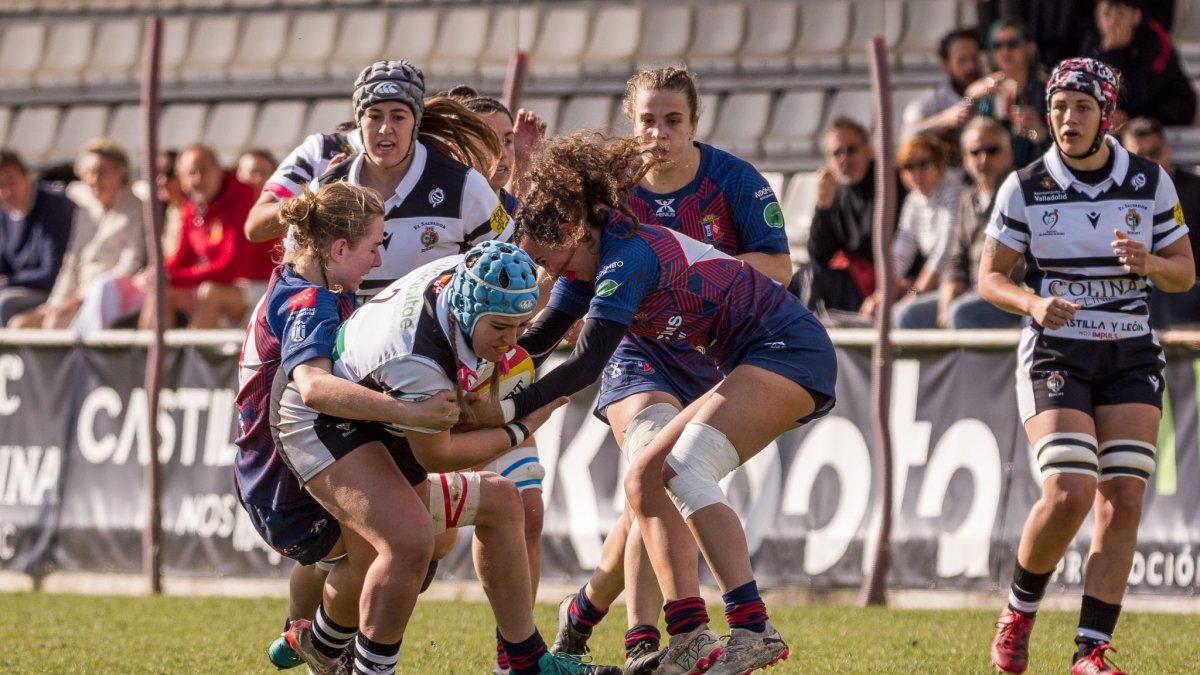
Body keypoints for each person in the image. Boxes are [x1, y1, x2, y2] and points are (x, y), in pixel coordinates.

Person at [468, 130, 836, 675]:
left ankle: (752, 627)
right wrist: (480, 369)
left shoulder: (626, 256)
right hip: (751, 356)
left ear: (571, 230)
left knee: (686, 468)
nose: (550, 275)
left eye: (548, 261)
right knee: (646, 476)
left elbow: (586, 364)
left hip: (787, 349)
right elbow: (541, 339)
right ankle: (686, 631)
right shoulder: (588, 259)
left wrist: (502, 412)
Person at [545, 66, 792, 675]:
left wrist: (694, 272)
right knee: (649, 468)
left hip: (712, 358)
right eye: (647, 120)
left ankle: (582, 611)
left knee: (645, 499)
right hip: (638, 353)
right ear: (631, 123)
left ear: (695, 124)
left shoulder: (734, 181)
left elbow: (780, 269)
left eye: (672, 120)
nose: (659, 133)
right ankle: (644, 644)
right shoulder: (613, 192)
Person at [980, 58, 1193, 675]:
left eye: (1080, 107)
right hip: (1057, 350)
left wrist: (1149, 264)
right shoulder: (1024, 185)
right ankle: (1019, 612)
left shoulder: (1149, 181)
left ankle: (1089, 651)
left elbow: (1185, 270)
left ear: (1107, 115)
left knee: (1122, 497)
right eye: (1058, 107)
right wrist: (1033, 301)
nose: (1067, 119)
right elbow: (989, 278)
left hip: (1130, 348)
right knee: (1070, 489)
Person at [246, 61, 512, 304]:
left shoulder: (464, 186)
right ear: (359, 123)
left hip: (437, 351)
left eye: (398, 116)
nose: (385, 128)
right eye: (374, 116)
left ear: (415, 123)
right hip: (343, 349)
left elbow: (510, 265)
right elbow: (294, 282)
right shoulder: (324, 190)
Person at [8, 139, 144, 329]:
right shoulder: (84, 209)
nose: (94, 180)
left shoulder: (136, 208)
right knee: (20, 324)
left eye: (101, 172)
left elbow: (131, 264)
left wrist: (80, 298)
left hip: (108, 293)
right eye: (88, 173)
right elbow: (71, 263)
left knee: (58, 323)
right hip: (77, 294)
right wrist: (56, 302)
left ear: (120, 172)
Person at [143, 144, 276, 329]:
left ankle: (200, 358)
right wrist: (158, 274)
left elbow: (231, 267)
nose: (197, 179)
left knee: (210, 293)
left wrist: (170, 277)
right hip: (231, 286)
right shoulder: (193, 205)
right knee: (159, 290)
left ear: (218, 170)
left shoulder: (243, 197)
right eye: (190, 173)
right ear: (182, 179)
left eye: (203, 170)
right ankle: (152, 355)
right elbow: (183, 257)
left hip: (266, 286)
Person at [792, 116, 907, 318]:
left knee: (813, 278)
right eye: (837, 153)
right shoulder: (839, 191)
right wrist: (823, 207)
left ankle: (801, 343)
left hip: (889, 281)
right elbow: (820, 256)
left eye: (851, 150)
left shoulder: (891, 182)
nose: (844, 158)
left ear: (868, 149)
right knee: (800, 278)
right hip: (855, 282)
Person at [939, 117, 1025, 329]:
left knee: (961, 313)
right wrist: (948, 291)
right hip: (972, 291)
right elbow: (955, 257)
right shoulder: (966, 198)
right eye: (975, 152)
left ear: (1009, 154)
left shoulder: (1021, 191)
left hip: (1011, 293)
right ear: (965, 159)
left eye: (992, 150)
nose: (983, 159)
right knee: (907, 315)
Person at [869, 135, 963, 327]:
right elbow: (900, 252)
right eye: (909, 167)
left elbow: (943, 252)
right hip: (938, 283)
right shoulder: (914, 200)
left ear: (938, 164)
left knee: (904, 313)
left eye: (924, 164)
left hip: (957, 280)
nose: (916, 173)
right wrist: (882, 295)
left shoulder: (953, 192)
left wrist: (914, 293)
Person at [1120, 117, 1200, 328]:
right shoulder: (1116, 195)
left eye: (1153, 153)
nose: (1148, 162)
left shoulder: (1196, 188)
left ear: (1168, 150)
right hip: (1137, 295)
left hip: (1190, 289)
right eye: (1139, 156)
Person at [1083, 0, 1196, 127]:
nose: (1113, 22)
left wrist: (1114, 53)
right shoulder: (1092, 41)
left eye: (1121, 14)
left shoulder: (1155, 40)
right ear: (1097, 15)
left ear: (1136, 16)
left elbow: (1140, 96)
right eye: (1106, 14)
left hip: (1164, 114)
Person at [0, 149, 75, 326]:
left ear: (27, 176)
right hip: (18, 288)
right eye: (0, 185)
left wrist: (8, 281)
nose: (7, 191)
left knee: (4, 303)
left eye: (11, 181)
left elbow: (51, 272)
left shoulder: (54, 206)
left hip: (53, 291)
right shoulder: (3, 213)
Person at [964, 19, 1050, 168]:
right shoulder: (986, 87)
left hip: (1036, 170)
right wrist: (971, 97)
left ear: (1030, 48)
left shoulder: (1047, 88)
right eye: (997, 46)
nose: (1005, 51)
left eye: (1012, 44)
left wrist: (1040, 133)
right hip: (994, 172)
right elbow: (966, 119)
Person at [901, 28, 984, 146]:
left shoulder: (992, 92)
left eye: (975, 59)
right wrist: (945, 120)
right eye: (962, 60)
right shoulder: (935, 99)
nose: (971, 66)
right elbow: (908, 134)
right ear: (945, 65)